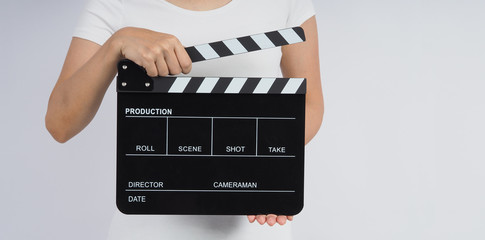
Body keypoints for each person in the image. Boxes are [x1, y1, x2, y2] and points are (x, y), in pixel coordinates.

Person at [46, 0, 323, 238]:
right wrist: (116, 44)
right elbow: (60, 123)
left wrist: (268, 167)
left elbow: (310, 104)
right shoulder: (116, 4)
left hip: (254, 224)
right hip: (148, 230)